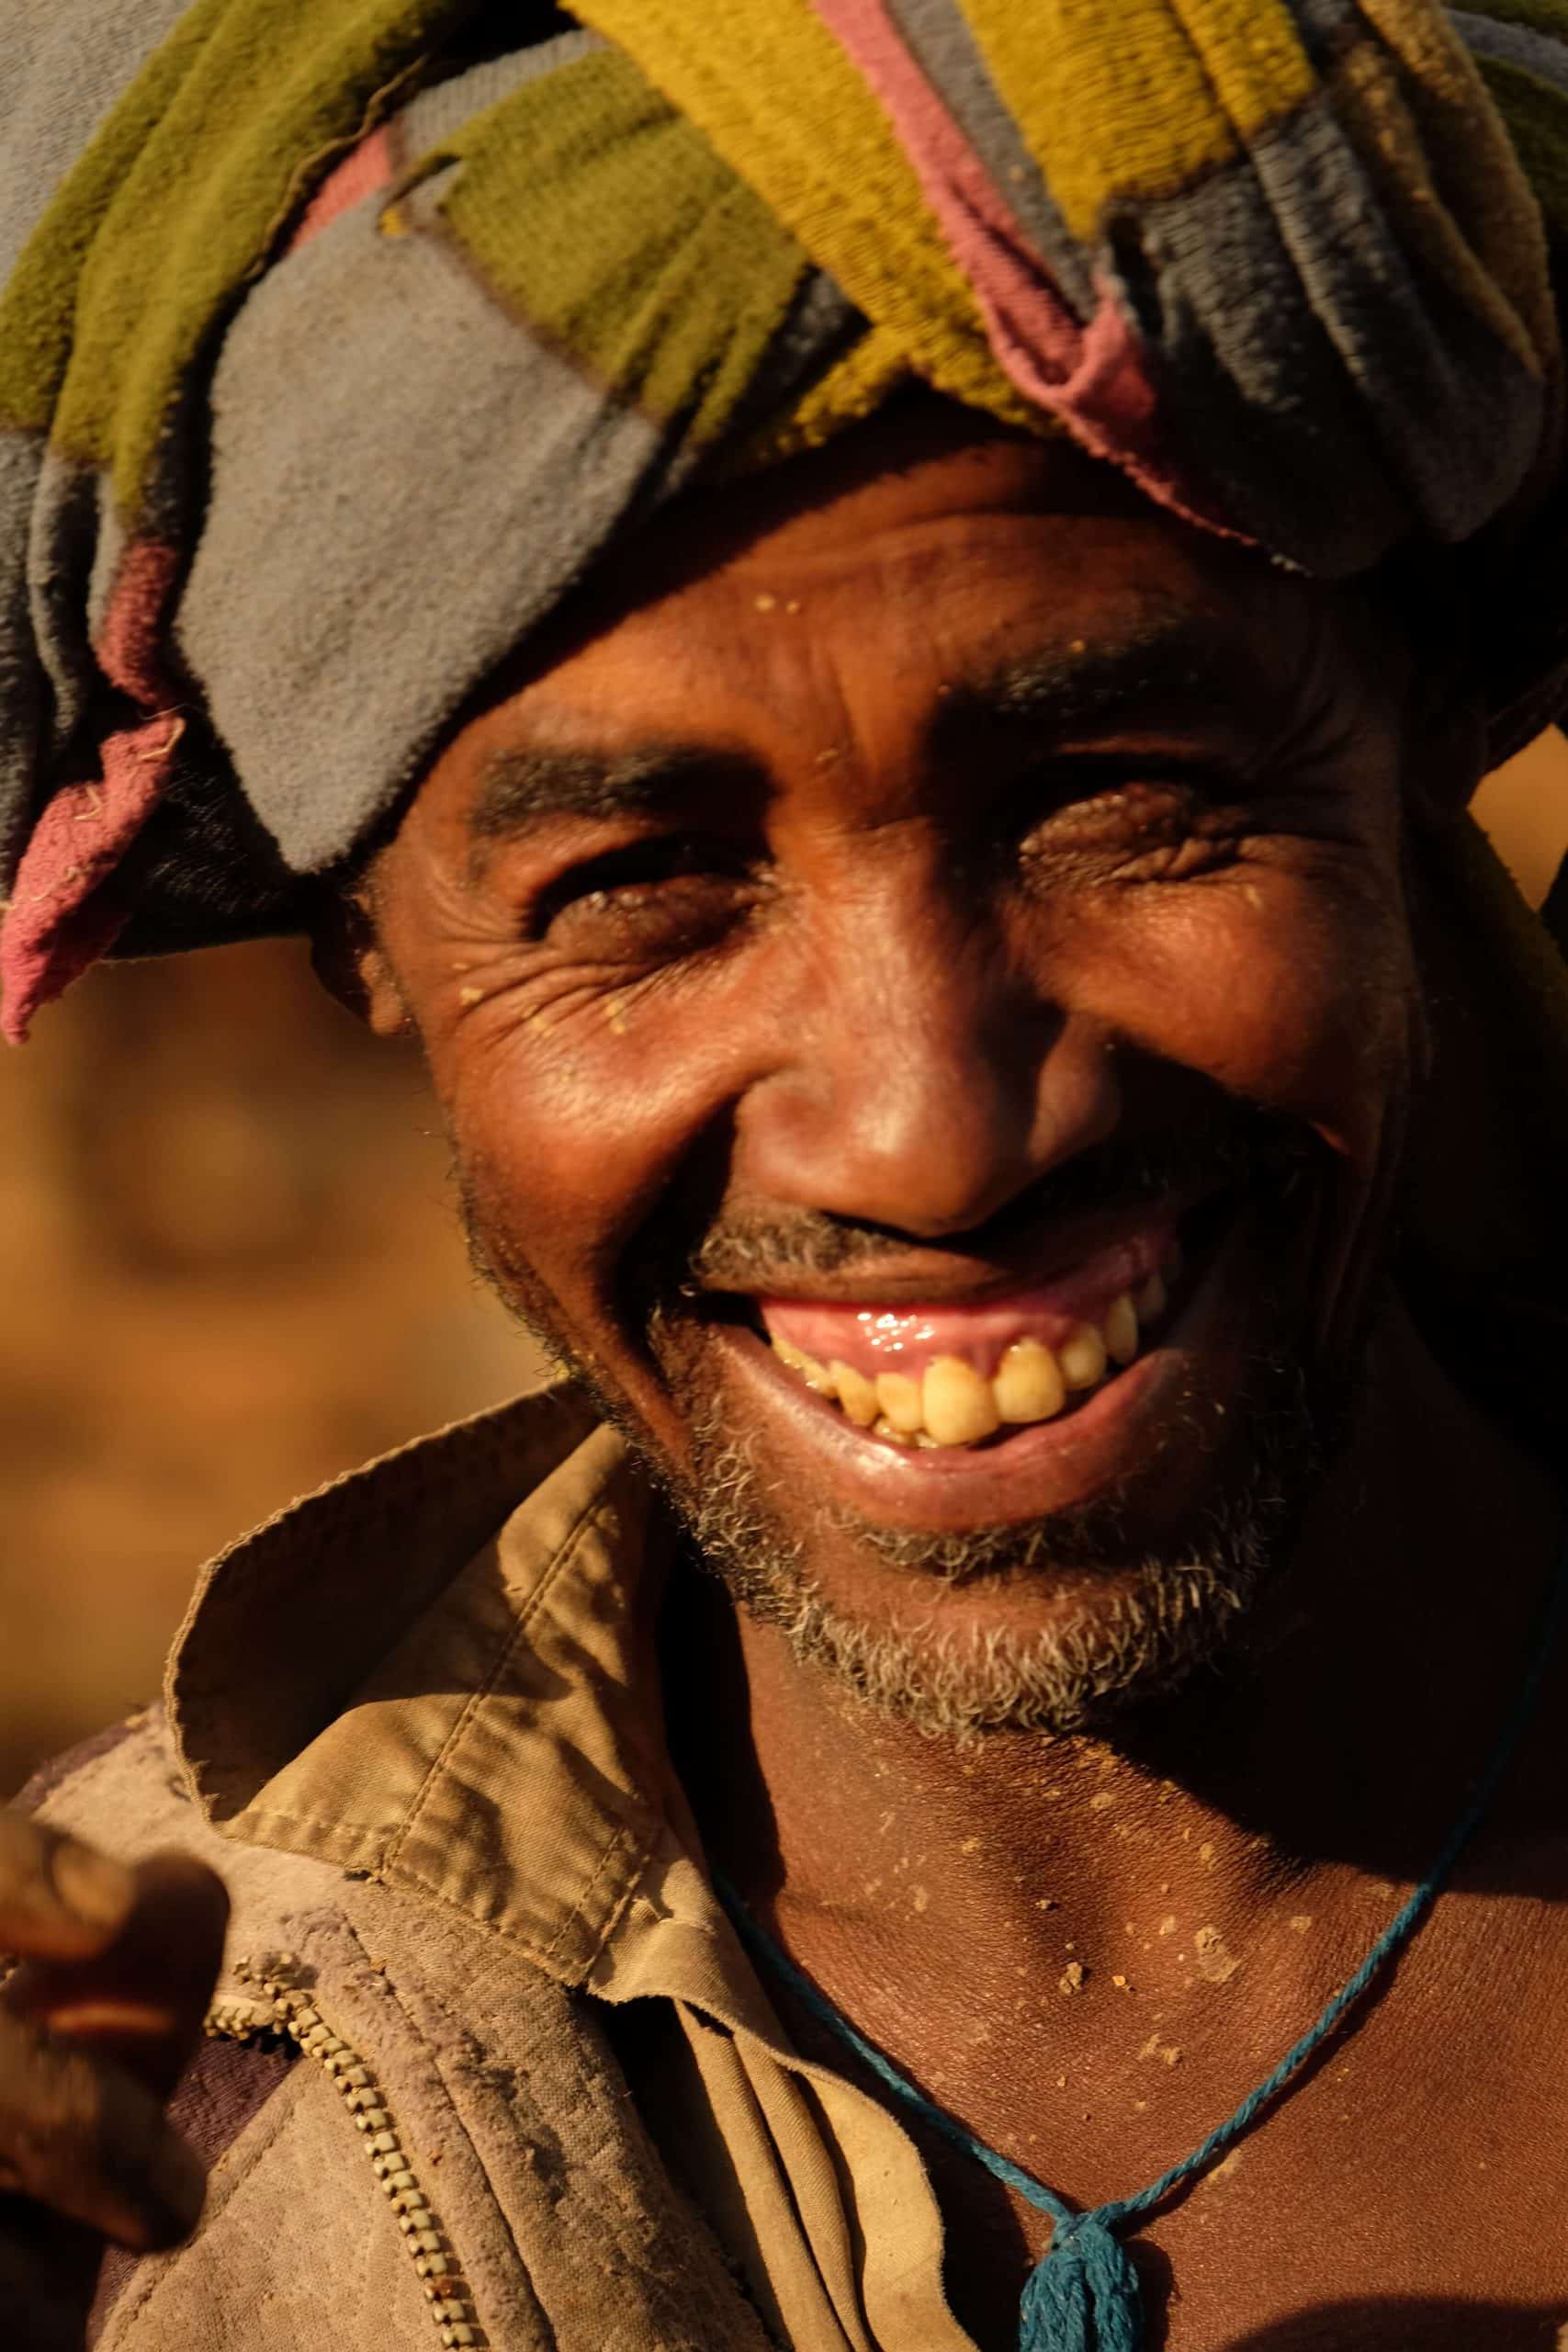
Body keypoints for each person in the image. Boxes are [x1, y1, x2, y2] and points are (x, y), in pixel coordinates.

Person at [3, 4, 1568, 2347]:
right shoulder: (155, 2099)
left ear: (1419, 734)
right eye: (643, 884)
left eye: (1113, 790)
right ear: (367, 946)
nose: (931, 1129)